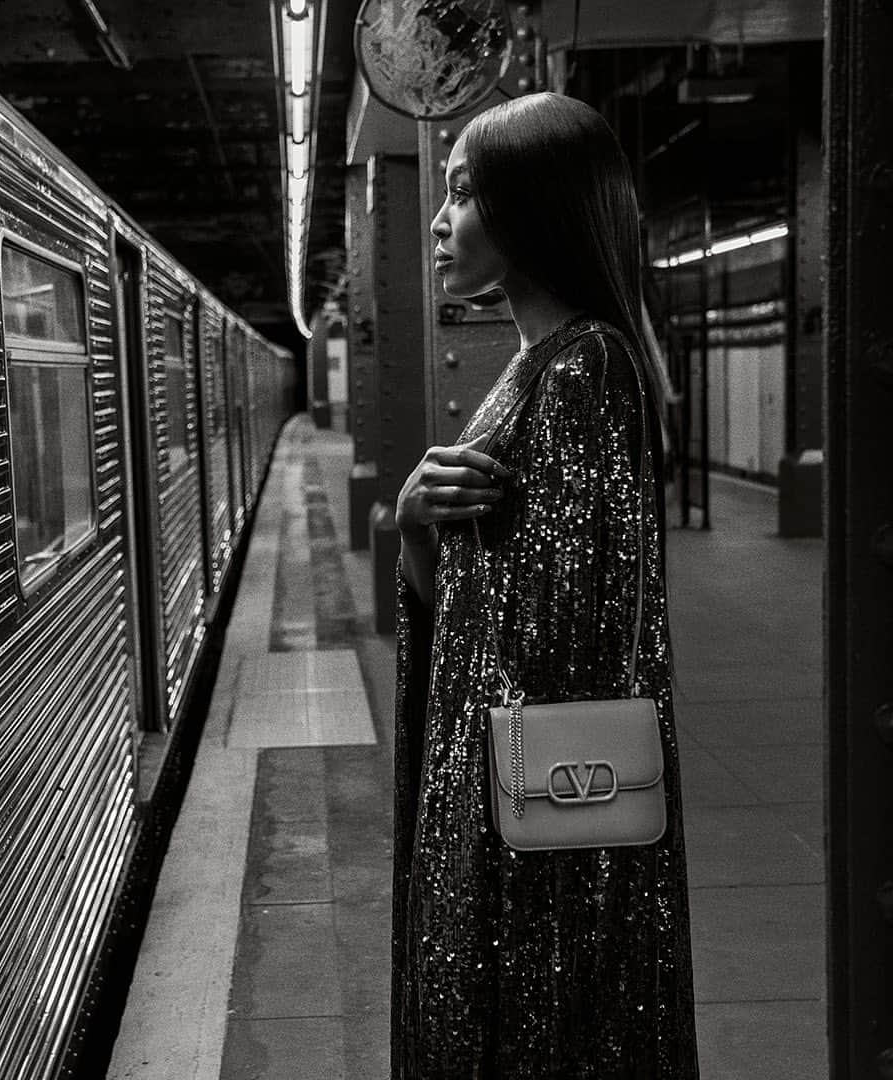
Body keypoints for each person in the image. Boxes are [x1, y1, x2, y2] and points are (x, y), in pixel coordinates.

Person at [391, 92, 699, 1078]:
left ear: (535, 209)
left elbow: (572, 643)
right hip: (498, 799)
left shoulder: (581, 368)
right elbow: (493, 606)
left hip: (530, 837)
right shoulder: (533, 364)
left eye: (465, 194)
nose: (442, 222)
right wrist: (414, 532)